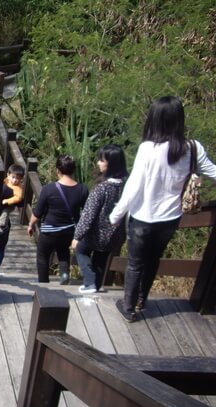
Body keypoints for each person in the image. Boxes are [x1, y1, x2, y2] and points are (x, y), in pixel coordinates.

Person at [109, 96, 216, 322]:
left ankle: (128, 308)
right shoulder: (192, 148)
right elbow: (214, 172)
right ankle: (140, 300)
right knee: (153, 260)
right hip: (170, 220)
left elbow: (133, 187)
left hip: (143, 218)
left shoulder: (148, 149)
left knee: (135, 263)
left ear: (155, 120)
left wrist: (116, 215)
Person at [72, 145, 128, 294]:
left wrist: (77, 237)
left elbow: (88, 215)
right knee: (101, 259)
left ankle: (90, 282)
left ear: (111, 163)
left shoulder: (101, 188)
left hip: (97, 233)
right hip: (115, 234)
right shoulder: (126, 185)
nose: (98, 163)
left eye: (101, 160)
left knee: (81, 250)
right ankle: (95, 286)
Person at [27, 155, 88, 283]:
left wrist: (31, 225)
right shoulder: (82, 189)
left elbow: (38, 212)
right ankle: (64, 275)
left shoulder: (49, 189)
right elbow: (87, 212)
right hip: (69, 231)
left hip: (50, 230)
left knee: (43, 256)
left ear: (58, 171)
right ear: (73, 170)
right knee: (63, 251)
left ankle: (43, 282)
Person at [0, 164, 25, 280]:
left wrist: (7, 201)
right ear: (8, 175)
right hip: (0, 219)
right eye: (13, 177)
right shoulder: (5, 182)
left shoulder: (18, 189)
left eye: (18, 178)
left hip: (5, 208)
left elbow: (18, 199)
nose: (15, 180)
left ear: (21, 179)